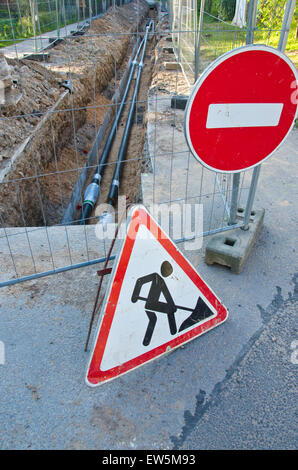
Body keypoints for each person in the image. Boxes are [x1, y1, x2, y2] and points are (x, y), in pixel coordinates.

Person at [131, 261, 177, 346]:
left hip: (151, 304)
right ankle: (173, 332)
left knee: (156, 317)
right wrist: (135, 295)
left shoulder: (158, 278)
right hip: (151, 304)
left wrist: (134, 296)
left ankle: (173, 332)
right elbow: (140, 281)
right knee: (155, 318)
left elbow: (167, 295)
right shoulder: (157, 277)